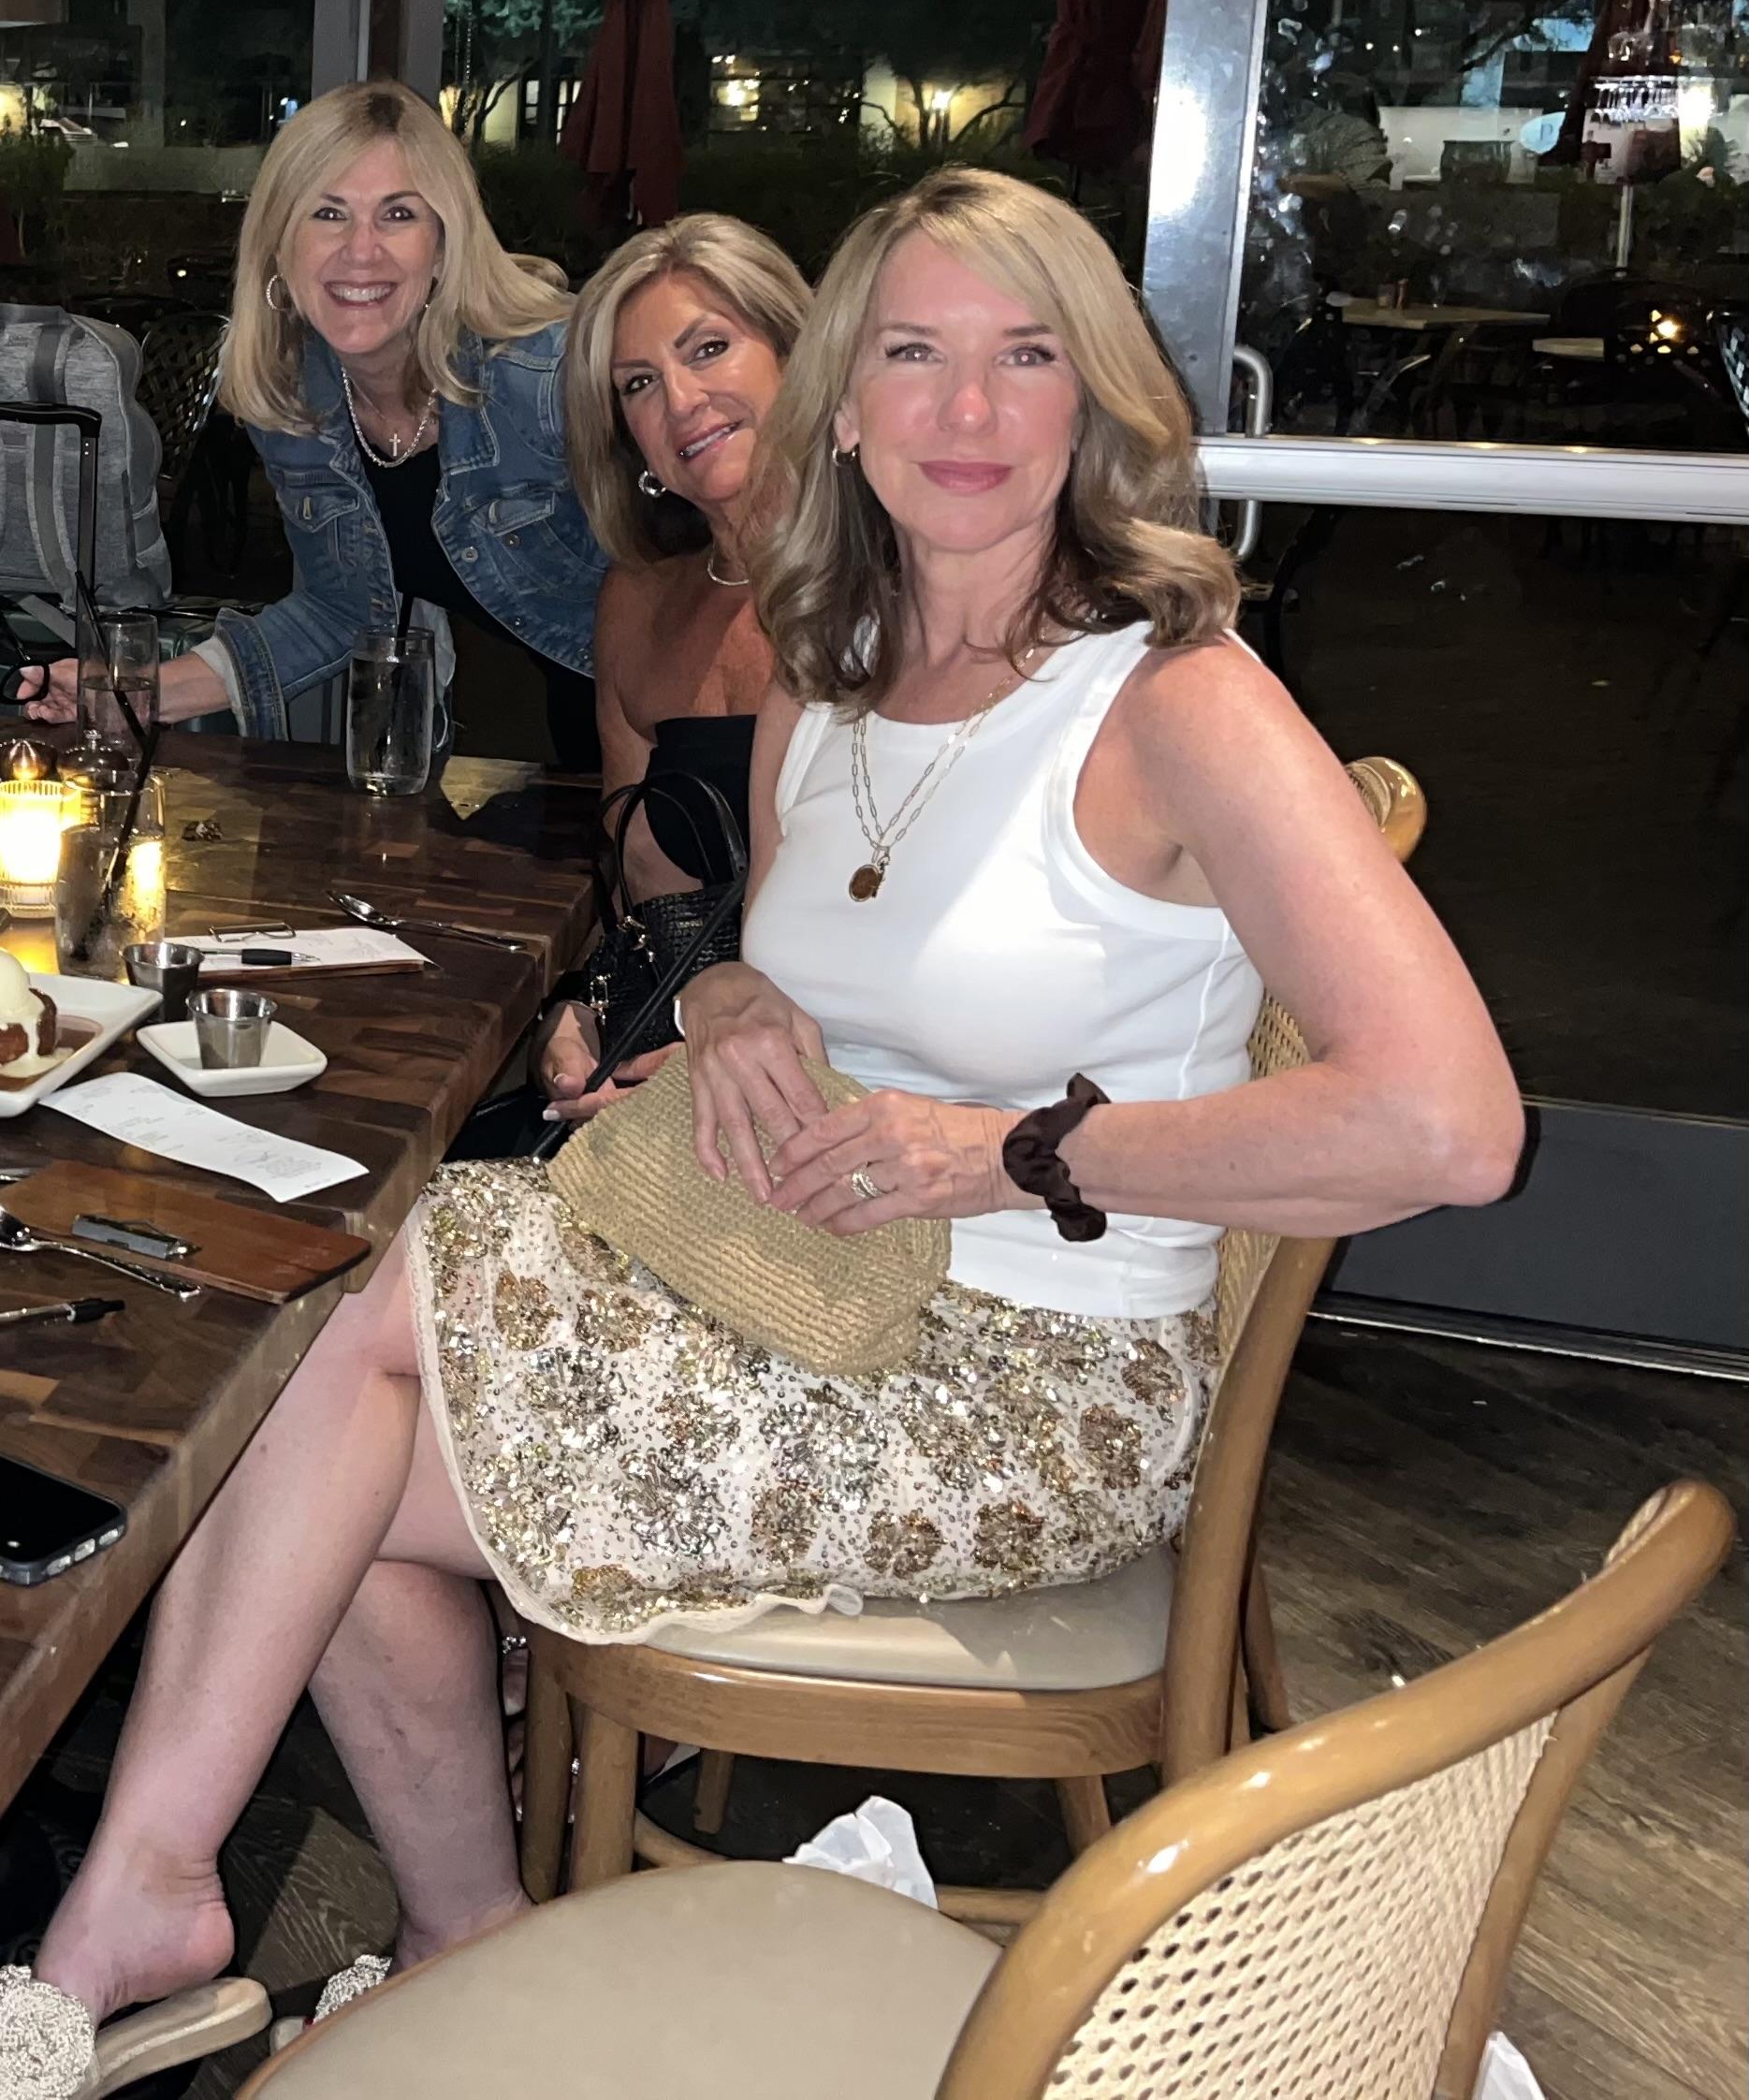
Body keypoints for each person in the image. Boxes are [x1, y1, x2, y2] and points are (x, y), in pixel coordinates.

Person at [4, 168, 1523, 2095]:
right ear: (847, 406)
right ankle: (333, 1918)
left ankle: (165, 1913)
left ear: (1093, 395)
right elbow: (779, 946)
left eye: (1022, 356)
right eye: (913, 356)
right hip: (805, 1266)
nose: (963, 411)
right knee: (326, 1334)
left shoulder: (1174, 700)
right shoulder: (836, 669)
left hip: (1027, 1381)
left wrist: (1012, 1151)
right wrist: (725, 1003)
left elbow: (1446, 1125)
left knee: (318, 1427)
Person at [25, 81, 608, 766]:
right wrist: (134, 691)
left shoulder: (547, 375)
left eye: (398, 214)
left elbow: (696, 569)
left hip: (691, 708)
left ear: (444, 247)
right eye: (328, 213)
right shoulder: (299, 398)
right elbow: (340, 608)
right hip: (589, 728)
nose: (361, 251)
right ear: (279, 246)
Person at [535, 212, 810, 1121]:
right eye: (639, 384)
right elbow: (638, 907)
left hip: (836, 1091)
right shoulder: (639, 603)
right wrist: (579, 1010)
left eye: (710, 348)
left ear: (797, 356)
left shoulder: (898, 591)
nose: (682, 400)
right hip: (656, 1084)